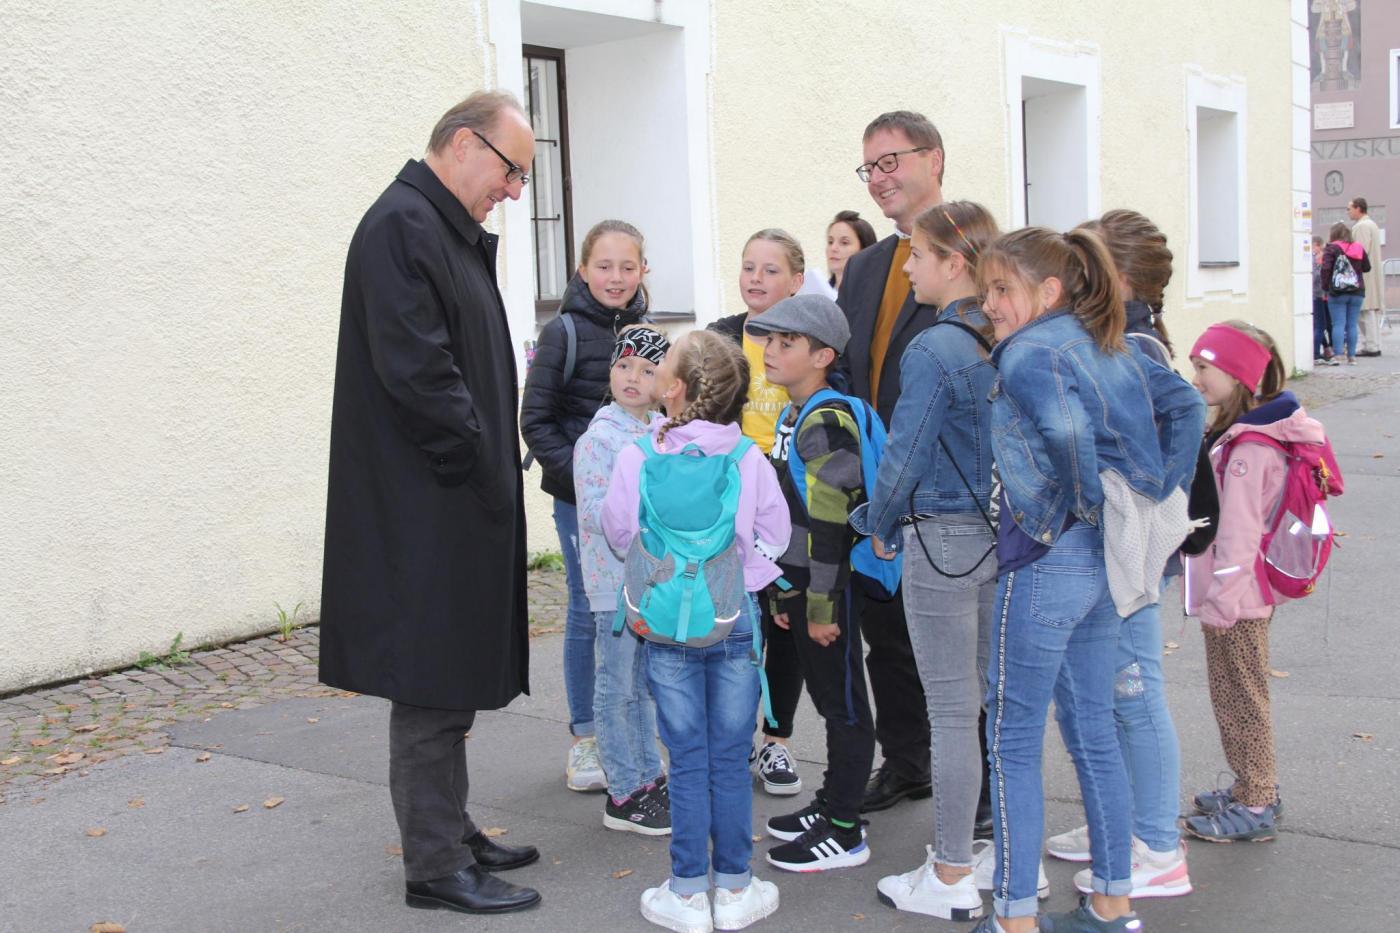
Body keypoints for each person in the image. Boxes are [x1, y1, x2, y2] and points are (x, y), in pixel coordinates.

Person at [319, 90, 540, 916]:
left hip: (446, 496)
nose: (515, 193)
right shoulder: (403, 227)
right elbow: (420, 377)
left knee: (448, 679)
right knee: (430, 681)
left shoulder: (434, 226)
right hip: (428, 504)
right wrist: (482, 463)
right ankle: (434, 864)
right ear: (460, 143)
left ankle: (449, 830)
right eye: (512, 171)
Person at [969, 227, 1204, 933]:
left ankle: (1012, 917)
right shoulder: (1115, 344)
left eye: (1000, 289)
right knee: (1093, 728)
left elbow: (1068, 437)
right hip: (1104, 562)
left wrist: (1062, 511)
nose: (988, 305)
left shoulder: (1031, 351)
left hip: (1048, 561)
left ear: (1048, 290)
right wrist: (1159, 485)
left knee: (1012, 738)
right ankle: (1112, 902)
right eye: (985, 291)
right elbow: (1188, 407)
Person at [602, 330, 791, 932]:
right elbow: (775, 535)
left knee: (684, 760)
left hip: (665, 629)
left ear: (673, 390)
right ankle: (735, 887)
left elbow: (618, 529)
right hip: (731, 621)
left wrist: (660, 577)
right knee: (731, 757)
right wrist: (747, 576)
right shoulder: (747, 459)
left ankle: (686, 892)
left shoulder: (640, 455)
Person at [851, 201, 999, 922]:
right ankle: (994, 845)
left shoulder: (934, 348)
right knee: (995, 706)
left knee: (950, 710)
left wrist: (874, 522)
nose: (906, 266)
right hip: (1002, 539)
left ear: (956, 263)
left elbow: (904, 454)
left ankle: (949, 871)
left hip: (940, 539)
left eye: (919, 254)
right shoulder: (1003, 333)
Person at [1042, 210, 1193, 901]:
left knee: (1134, 690)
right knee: (1106, 688)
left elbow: (1175, 425)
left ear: (1119, 278)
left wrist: (1160, 492)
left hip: (1129, 549)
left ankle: (1159, 844)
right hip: (1113, 543)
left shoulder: (1137, 346)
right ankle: (1125, 821)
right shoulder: (1119, 337)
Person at [837, 110, 951, 813]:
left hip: (946, 482)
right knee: (888, 634)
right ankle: (909, 760)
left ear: (933, 159)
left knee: (955, 643)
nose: (880, 179)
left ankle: (977, 783)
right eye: (869, 167)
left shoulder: (975, 250)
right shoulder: (869, 265)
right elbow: (851, 366)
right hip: (873, 480)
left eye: (891, 162)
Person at [741, 295, 877, 873]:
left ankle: (845, 829)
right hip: (798, 585)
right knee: (829, 698)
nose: (771, 351)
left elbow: (828, 527)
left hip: (828, 588)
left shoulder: (823, 419)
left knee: (843, 703)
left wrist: (820, 607)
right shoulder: (797, 413)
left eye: (786, 343)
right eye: (769, 340)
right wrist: (779, 592)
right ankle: (831, 805)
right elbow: (784, 516)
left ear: (822, 355)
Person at [521, 219, 651, 791]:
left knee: (637, 608)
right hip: (580, 503)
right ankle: (586, 737)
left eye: (628, 266)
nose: (616, 277)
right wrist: (587, 479)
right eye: (605, 266)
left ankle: (633, 732)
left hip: (641, 509)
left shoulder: (647, 331)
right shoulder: (563, 332)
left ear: (643, 270)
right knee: (587, 611)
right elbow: (536, 421)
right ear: (582, 270)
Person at [1181, 321, 1320, 844]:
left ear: (1238, 375)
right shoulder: (1241, 436)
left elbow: (1238, 536)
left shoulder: (1248, 451)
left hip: (1237, 600)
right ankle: (1249, 785)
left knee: (1242, 698)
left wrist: (1220, 601)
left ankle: (1257, 800)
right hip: (1239, 595)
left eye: (1204, 368)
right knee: (1236, 694)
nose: (1194, 378)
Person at [708, 230, 808, 798]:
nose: (755, 278)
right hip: (731, 498)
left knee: (784, 623)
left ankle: (777, 740)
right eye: (748, 267)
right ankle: (734, 735)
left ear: (796, 281)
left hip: (790, 500)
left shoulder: (811, 341)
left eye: (770, 270)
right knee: (735, 619)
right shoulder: (721, 336)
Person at [574, 325, 672, 836]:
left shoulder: (661, 433)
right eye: (624, 365)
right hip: (615, 585)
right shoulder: (600, 439)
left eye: (649, 370)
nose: (633, 377)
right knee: (616, 685)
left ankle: (648, 775)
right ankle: (623, 790)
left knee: (644, 685)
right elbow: (596, 514)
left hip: (652, 584)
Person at [1320, 221, 1371, 365]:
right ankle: (1352, 357)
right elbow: (1367, 267)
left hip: (1337, 292)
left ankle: (1338, 355)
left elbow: (1325, 269)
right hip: (1357, 291)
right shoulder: (1358, 247)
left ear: (1333, 234)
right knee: (1352, 324)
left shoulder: (1331, 249)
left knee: (1338, 324)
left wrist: (1326, 287)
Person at [1348, 197, 1384, 357]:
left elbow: (1359, 252)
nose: (1348, 212)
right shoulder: (1372, 224)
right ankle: (1374, 343)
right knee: (1370, 310)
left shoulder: (1362, 226)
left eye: (1349, 208)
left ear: (1358, 208)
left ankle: (1371, 345)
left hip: (1364, 274)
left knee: (1365, 310)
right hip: (1371, 272)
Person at [827, 210, 878, 291]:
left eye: (844, 243)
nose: (833, 248)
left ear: (864, 249)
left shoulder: (876, 295)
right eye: (830, 242)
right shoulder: (818, 295)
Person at [1312, 236, 1337, 365]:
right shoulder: (1319, 257)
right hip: (1321, 295)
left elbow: (1317, 277)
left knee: (1321, 324)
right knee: (1322, 324)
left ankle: (1321, 351)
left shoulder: (1319, 257)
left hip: (1320, 295)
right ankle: (1320, 351)